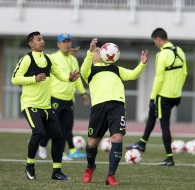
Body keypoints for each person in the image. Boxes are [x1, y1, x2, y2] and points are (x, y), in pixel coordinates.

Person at [11, 31, 80, 180]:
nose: (42, 41)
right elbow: (14, 79)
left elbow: (58, 74)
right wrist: (34, 78)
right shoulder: (26, 59)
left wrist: (69, 78)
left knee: (59, 136)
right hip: (30, 104)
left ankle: (56, 172)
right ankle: (30, 166)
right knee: (39, 132)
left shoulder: (48, 59)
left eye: (42, 39)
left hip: (46, 106)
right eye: (38, 39)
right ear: (31, 44)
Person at [81, 38, 148, 186]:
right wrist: (90, 51)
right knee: (92, 143)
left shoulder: (116, 69)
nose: (99, 52)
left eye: (100, 50)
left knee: (117, 138)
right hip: (98, 108)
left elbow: (132, 75)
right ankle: (90, 167)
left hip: (117, 107)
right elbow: (82, 71)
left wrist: (142, 64)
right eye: (97, 51)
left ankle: (111, 175)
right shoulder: (90, 71)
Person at [126, 28, 187, 166]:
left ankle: (169, 158)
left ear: (159, 39)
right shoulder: (180, 51)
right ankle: (142, 143)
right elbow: (184, 73)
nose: (155, 44)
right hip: (175, 95)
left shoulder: (163, 54)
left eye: (155, 41)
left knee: (164, 125)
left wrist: (152, 98)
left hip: (163, 95)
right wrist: (177, 90)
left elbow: (159, 77)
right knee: (152, 115)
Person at [38, 33, 90, 161]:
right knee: (53, 128)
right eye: (64, 41)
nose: (66, 44)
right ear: (58, 44)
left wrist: (83, 93)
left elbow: (77, 78)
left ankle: (60, 153)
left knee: (65, 129)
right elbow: (40, 60)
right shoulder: (52, 57)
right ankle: (42, 145)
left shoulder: (73, 59)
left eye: (68, 41)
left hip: (69, 100)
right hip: (55, 98)